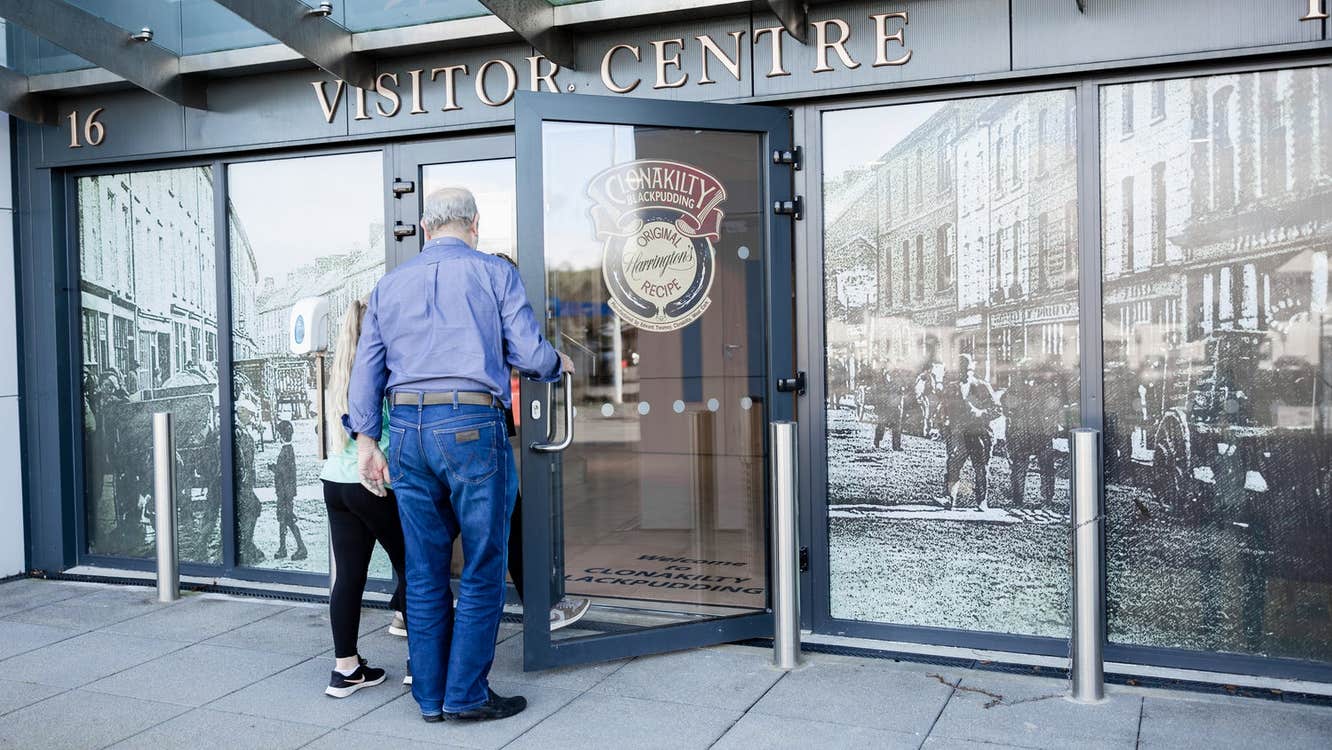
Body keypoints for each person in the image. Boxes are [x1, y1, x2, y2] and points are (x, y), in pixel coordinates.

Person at [348, 187, 572, 723]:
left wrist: (365, 440)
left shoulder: (389, 285)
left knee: (423, 570)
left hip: (404, 428)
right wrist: (556, 362)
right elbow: (527, 352)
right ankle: (467, 693)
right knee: (483, 562)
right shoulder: (495, 273)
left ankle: (429, 697)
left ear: (426, 229)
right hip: (471, 425)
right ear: (474, 225)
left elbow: (365, 369)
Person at [493, 252, 591, 631]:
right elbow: (526, 352)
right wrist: (556, 362)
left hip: (429, 430)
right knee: (510, 520)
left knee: (443, 531)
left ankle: (408, 612)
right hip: (479, 429)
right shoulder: (494, 300)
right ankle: (544, 609)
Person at [320, 298, 410, 699]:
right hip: (373, 480)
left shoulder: (341, 371)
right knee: (417, 566)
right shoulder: (381, 368)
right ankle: (418, 663)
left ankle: (345, 670)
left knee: (349, 578)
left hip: (336, 481)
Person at [1005, 359, 1069, 507]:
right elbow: (1007, 405)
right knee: (1021, 465)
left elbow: (1056, 407)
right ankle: (1018, 498)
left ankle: (1046, 498)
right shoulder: (1017, 387)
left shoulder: (1049, 388)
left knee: (1045, 465)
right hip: (1024, 431)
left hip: (1041, 432)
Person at [940, 354, 999, 511]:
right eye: (961, 370)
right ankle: (949, 499)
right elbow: (946, 411)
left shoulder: (982, 386)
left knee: (980, 468)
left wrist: (980, 413)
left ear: (972, 370)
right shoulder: (952, 388)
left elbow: (997, 409)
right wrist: (947, 427)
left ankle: (982, 501)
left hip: (980, 433)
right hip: (960, 434)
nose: (964, 373)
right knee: (953, 464)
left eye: (967, 370)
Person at [234, 399, 266, 563]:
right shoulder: (238, 431)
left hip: (246, 480)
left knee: (251, 509)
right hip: (242, 480)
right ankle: (246, 546)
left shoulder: (242, 429)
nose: (252, 417)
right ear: (241, 412)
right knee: (253, 508)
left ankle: (247, 544)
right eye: (250, 414)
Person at [271, 419, 307, 561]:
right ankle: (283, 548)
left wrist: (273, 468)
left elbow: (283, 474)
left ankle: (300, 547)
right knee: (284, 521)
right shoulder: (288, 450)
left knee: (288, 521)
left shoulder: (285, 451)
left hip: (284, 495)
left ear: (281, 435)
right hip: (286, 494)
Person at [864, 362, 904, 451]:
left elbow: (900, 395)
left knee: (897, 427)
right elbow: (876, 396)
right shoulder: (880, 384)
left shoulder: (896, 384)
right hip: (883, 408)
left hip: (894, 408)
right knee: (881, 426)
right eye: (889, 374)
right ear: (885, 374)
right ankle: (876, 442)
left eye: (893, 374)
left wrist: (899, 404)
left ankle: (896, 446)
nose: (891, 376)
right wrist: (878, 407)